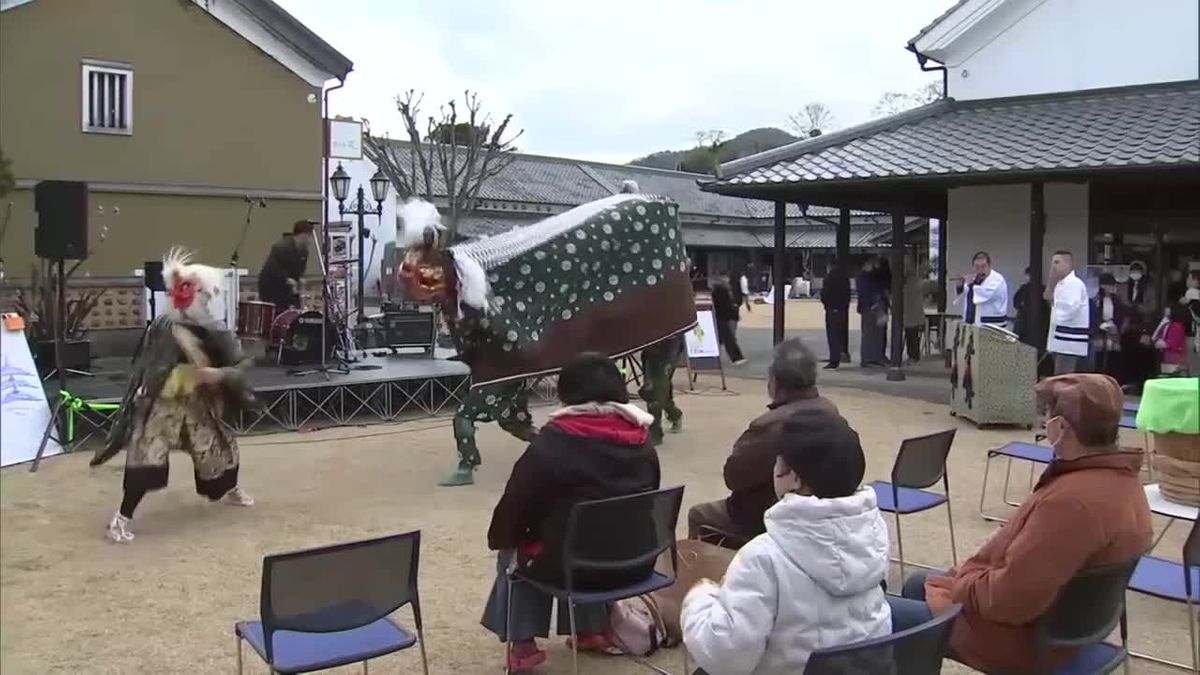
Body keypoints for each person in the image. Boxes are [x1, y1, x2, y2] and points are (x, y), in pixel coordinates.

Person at [892, 373, 1152, 672]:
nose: (1043, 422)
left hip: (1029, 641)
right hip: (1067, 628)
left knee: (884, 617)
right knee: (918, 584)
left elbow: (1008, 601)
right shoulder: (1124, 480)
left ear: (1062, 427)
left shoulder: (1071, 503)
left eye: (1047, 414)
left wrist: (963, 581)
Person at [481, 352, 660, 671]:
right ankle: (591, 629)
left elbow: (516, 504)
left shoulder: (553, 442)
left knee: (519, 550)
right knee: (588, 534)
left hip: (572, 567)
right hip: (634, 562)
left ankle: (522, 646)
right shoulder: (643, 439)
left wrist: (502, 538)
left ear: (567, 393)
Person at [681, 412, 891, 675]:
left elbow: (725, 659)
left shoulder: (764, 556)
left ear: (793, 476)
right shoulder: (874, 532)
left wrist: (699, 598)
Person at [91, 248, 256, 543]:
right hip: (162, 402)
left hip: (197, 402)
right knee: (145, 457)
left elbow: (242, 364)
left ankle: (231, 489)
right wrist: (143, 389)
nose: (201, 299)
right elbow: (144, 363)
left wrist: (219, 375)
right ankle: (121, 518)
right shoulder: (163, 327)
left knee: (221, 448)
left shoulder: (215, 330)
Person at [687, 338, 837, 542]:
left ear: (774, 382)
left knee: (698, 515)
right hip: (819, 512)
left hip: (764, 517)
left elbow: (733, 478)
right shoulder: (830, 411)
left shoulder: (768, 426)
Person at [1045, 251, 1090, 374]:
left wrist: (1053, 300)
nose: (1053, 266)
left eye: (1057, 262)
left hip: (1069, 343)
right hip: (1060, 342)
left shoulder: (1074, 284)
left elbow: (1070, 310)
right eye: (1052, 263)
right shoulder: (1061, 284)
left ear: (1067, 264)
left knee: (1063, 380)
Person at [257, 220, 314, 309]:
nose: (311, 240)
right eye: (309, 236)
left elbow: (299, 271)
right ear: (303, 235)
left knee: (296, 309)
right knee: (278, 310)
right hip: (271, 286)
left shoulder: (304, 252)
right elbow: (272, 270)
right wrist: (287, 279)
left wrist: (300, 279)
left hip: (289, 288)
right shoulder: (281, 247)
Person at [956, 251, 1009, 328]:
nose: (980, 270)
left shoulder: (997, 280)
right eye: (977, 267)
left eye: (983, 266)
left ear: (989, 266)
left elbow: (985, 295)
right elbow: (965, 296)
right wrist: (960, 285)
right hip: (973, 325)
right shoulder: (974, 280)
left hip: (993, 326)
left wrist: (971, 284)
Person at [1090, 273, 1128, 378]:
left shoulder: (1117, 300)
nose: (1112, 288)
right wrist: (1100, 325)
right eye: (1109, 285)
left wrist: (1115, 325)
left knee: (1113, 358)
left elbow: (1121, 314)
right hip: (1100, 333)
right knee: (1099, 357)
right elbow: (1094, 315)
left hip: (1113, 332)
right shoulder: (1096, 300)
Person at [856, 257, 888, 367]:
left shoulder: (870, 276)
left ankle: (876, 357)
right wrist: (874, 304)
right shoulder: (864, 276)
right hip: (871, 307)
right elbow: (866, 293)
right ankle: (869, 358)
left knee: (877, 334)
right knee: (870, 333)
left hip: (874, 306)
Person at [820, 258, 851, 369]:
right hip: (842, 309)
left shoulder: (829, 278)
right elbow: (848, 294)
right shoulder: (845, 278)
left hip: (832, 308)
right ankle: (841, 353)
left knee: (832, 334)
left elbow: (825, 294)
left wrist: (827, 304)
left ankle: (834, 358)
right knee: (840, 333)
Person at [711, 273, 746, 365]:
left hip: (725, 316)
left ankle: (716, 356)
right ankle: (736, 358)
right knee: (728, 337)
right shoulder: (720, 290)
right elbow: (724, 305)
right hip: (724, 316)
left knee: (725, 337)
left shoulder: (723, 289)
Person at [1012, 266, 1049, 349]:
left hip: (1027, 324)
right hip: (1034, 325)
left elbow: (1016, 303)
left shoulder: (1026, 289)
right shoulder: (1040, 289)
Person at [902, 257, 930, 364]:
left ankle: (913, 356)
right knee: (911, 335)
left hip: (911, 314)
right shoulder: (915, 282)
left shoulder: (913, 282)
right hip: (911, 313)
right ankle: (913, 356)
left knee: (912, 336)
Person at [1156, 303, 1190, 375]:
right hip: (1171, 357)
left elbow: (1172, 343)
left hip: (1174, 359)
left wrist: (1160, 343)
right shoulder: (1172, 324)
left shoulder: (1176, 326)